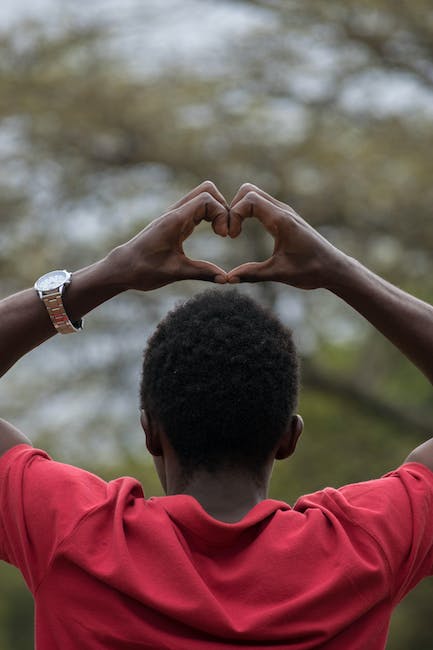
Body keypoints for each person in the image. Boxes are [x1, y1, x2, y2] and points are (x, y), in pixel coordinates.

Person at [0, 180, 433, 650]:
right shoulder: (363, 549)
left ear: (150, 432)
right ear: (289, 438)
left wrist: (109, 273)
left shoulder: (74, 534)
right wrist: (341, 272)